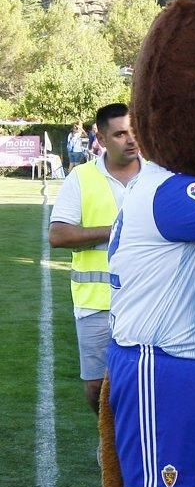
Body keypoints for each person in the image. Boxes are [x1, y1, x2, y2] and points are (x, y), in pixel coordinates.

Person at [49, 104, 141, 416]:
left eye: (134, 131)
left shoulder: (158, 176)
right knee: (96, 387)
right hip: (96, 302)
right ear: (100, 138)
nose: (130, 140)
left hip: (149, 298)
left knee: (145, 379)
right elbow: (58, 236)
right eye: (120, 134)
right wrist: (116, 230)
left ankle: (133, 443)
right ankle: (109, 438)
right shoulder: (82, 178)